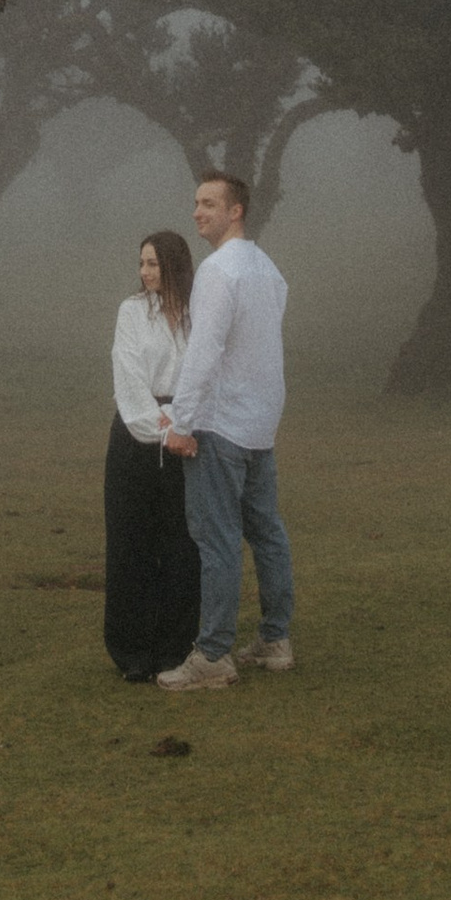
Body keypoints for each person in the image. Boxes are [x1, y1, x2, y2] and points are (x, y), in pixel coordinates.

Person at [158, 170, 294, 692]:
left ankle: (213, 655)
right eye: (196, 202)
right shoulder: (267, 269)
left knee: (217, 541)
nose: (197, 212)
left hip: (220, 425)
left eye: (209, 204)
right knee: (266, 532)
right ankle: (275, 640)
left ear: (236, 211)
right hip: (260, 423)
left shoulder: (218, 271)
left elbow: (205, 350)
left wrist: (181, 421)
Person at [104, 231, 203, 682]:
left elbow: (204, 371)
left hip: (188, 430)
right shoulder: (131, 312)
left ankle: (175, 647)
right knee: (132, 541)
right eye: (142, 263)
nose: (144, 272)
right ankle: (133, 650)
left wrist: (183, 423)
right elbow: (128, 377)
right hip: (137, 434)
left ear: (174, 266)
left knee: (182, 543)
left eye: (154, 264)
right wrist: (163, 430)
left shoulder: (198, 313)